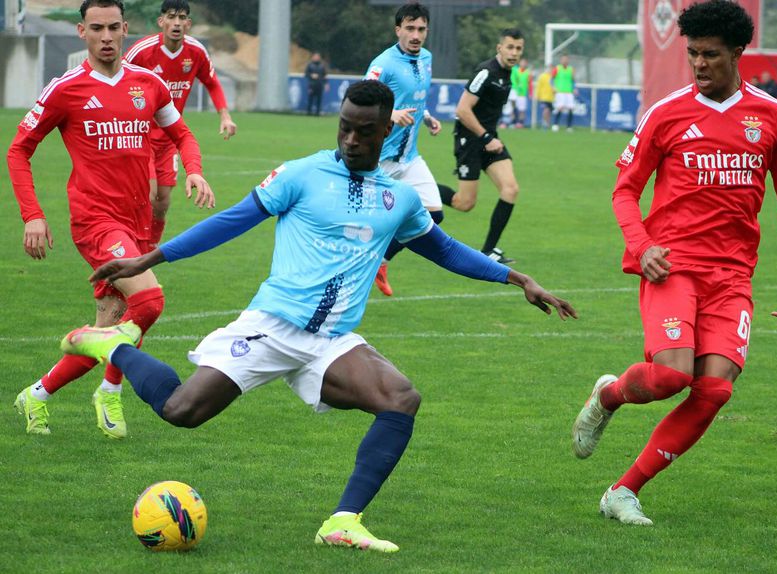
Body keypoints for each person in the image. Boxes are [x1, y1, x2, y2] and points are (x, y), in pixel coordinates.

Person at [60, 80, 577, 552]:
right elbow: (231, 221)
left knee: (400, 400)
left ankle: (343, 521)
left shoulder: (398, 198)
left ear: (386, 129)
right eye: (345, 128)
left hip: (331, 340)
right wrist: (149, 259)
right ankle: (112, 346)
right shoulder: (301, 174)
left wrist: (517, 279)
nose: (351, 139)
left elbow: (444, 250)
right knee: (181, 411)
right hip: (271, 327)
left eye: (364, 131)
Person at [571, 0, 777, 526]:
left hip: (732, 277)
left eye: (711, 55)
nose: (699, 65)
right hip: (672, 266)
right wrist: (642, 246)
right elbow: (624, 191)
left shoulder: (773, 116)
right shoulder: (666, 112)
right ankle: (609, 395)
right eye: (693, 54)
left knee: (716, 389)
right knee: (673, 378)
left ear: (738, 53)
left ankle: (622, 491)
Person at [7, 0, 214, 439]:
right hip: (96, 222)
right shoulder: (66, 88)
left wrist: (192, 167)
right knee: (149, 302)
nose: (105, 37)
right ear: (82, 31)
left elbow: (181, 132)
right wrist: (33, 216)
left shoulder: (148, 82)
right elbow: (18, 150)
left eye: (113, 28)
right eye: (96, 28)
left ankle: (37, 395)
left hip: (139, 220)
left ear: (125, 30)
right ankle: (110, 390)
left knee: (114, 324)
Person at [124, 0, 235, 249]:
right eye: (171, 17)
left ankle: (148, 251)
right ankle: (133, 252)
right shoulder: (142, 51)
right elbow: (119, 77)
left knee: (162, 202)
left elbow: (212, 82)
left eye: (182, 17)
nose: (176, 22)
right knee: (147, 196)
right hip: (140, 137)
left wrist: (225, 116)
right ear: (161, 21)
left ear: (188, 23)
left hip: (170, 138)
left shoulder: (196, 52)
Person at [364, 2, 452, 297]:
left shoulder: (426, 58)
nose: (416, 35)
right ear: (398, 29)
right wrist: (390, 115)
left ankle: (382, 260)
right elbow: (359, 101)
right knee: (363, 225)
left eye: (421, 29)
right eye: (410, 28)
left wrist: (425, 118)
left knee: (434, 214)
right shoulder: (383, 64)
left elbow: (416, 96)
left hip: (410, 158)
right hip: (380, 160)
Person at [440, 28, 526, 264]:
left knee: (511, 189)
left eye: (518, 48)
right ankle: (418, 188)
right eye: (509, 47)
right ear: (499, 48)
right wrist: (487, 138)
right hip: (470, 140)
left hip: (490, 139)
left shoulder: (508, 73)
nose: (514, 52)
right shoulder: (485, 72)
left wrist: (490, 138)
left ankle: (488, 251)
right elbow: (462, 110)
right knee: (464, 203)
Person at [551, 55, 576, 132]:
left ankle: (569, 126)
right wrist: (553, 87)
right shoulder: (557, 68)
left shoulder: (571, 69)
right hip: (560, 92)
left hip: (569, 92)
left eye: (566, 59)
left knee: (571, 108)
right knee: (560, 108)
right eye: (563, 59)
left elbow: (573, 80)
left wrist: (574, 88)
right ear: (561, 60)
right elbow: (551, 79)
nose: (565, 61)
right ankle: (555, 125)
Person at [510, 58, 531, 128]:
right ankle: (513, 122)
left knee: (522, 109)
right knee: (513, 107)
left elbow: (529, 83)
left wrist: (530, 92)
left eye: (525, 63)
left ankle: (520, 123)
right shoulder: (515, 70)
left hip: (523, 93)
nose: (523, 64)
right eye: (522, 62)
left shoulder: (528, 72)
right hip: (515, 91)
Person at [305, 52, 327, 116]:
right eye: (315, 56)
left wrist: (326, 83)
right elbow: (306, 74)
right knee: (310, 99)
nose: (316, 58)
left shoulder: (322, 66)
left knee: (319, 100)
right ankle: (309, 112)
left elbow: (325, 75)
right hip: (312, 85)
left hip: (319, 85)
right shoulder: (310, 65)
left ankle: (317, 113)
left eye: (317, 57)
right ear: (313, 57)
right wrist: (311, 75)